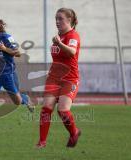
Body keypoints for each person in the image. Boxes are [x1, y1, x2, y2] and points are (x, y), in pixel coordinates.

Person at [36, 8, 81, 148]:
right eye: (56, 18)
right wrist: (58, 42)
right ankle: (42, 142)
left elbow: (72, 52)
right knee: (46, 108)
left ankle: (74, 132)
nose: (57, 21)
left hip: (70, 79)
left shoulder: (73, 35)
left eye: (60, 18)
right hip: (54, 78)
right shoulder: (58, 37)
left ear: (69, 20)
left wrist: (60, 44)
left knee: (62, 110)